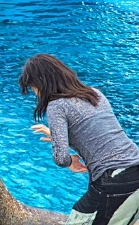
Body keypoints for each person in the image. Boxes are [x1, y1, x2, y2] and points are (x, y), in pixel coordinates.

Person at [20, 53, 139, 225]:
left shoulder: (57, 105)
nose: (37, 95)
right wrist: (58, 137)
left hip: (114, 181)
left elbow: (60, 158)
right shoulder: (94, 93)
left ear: (41, 82)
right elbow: (99, 137)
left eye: (34, 89)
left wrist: (69, 162)